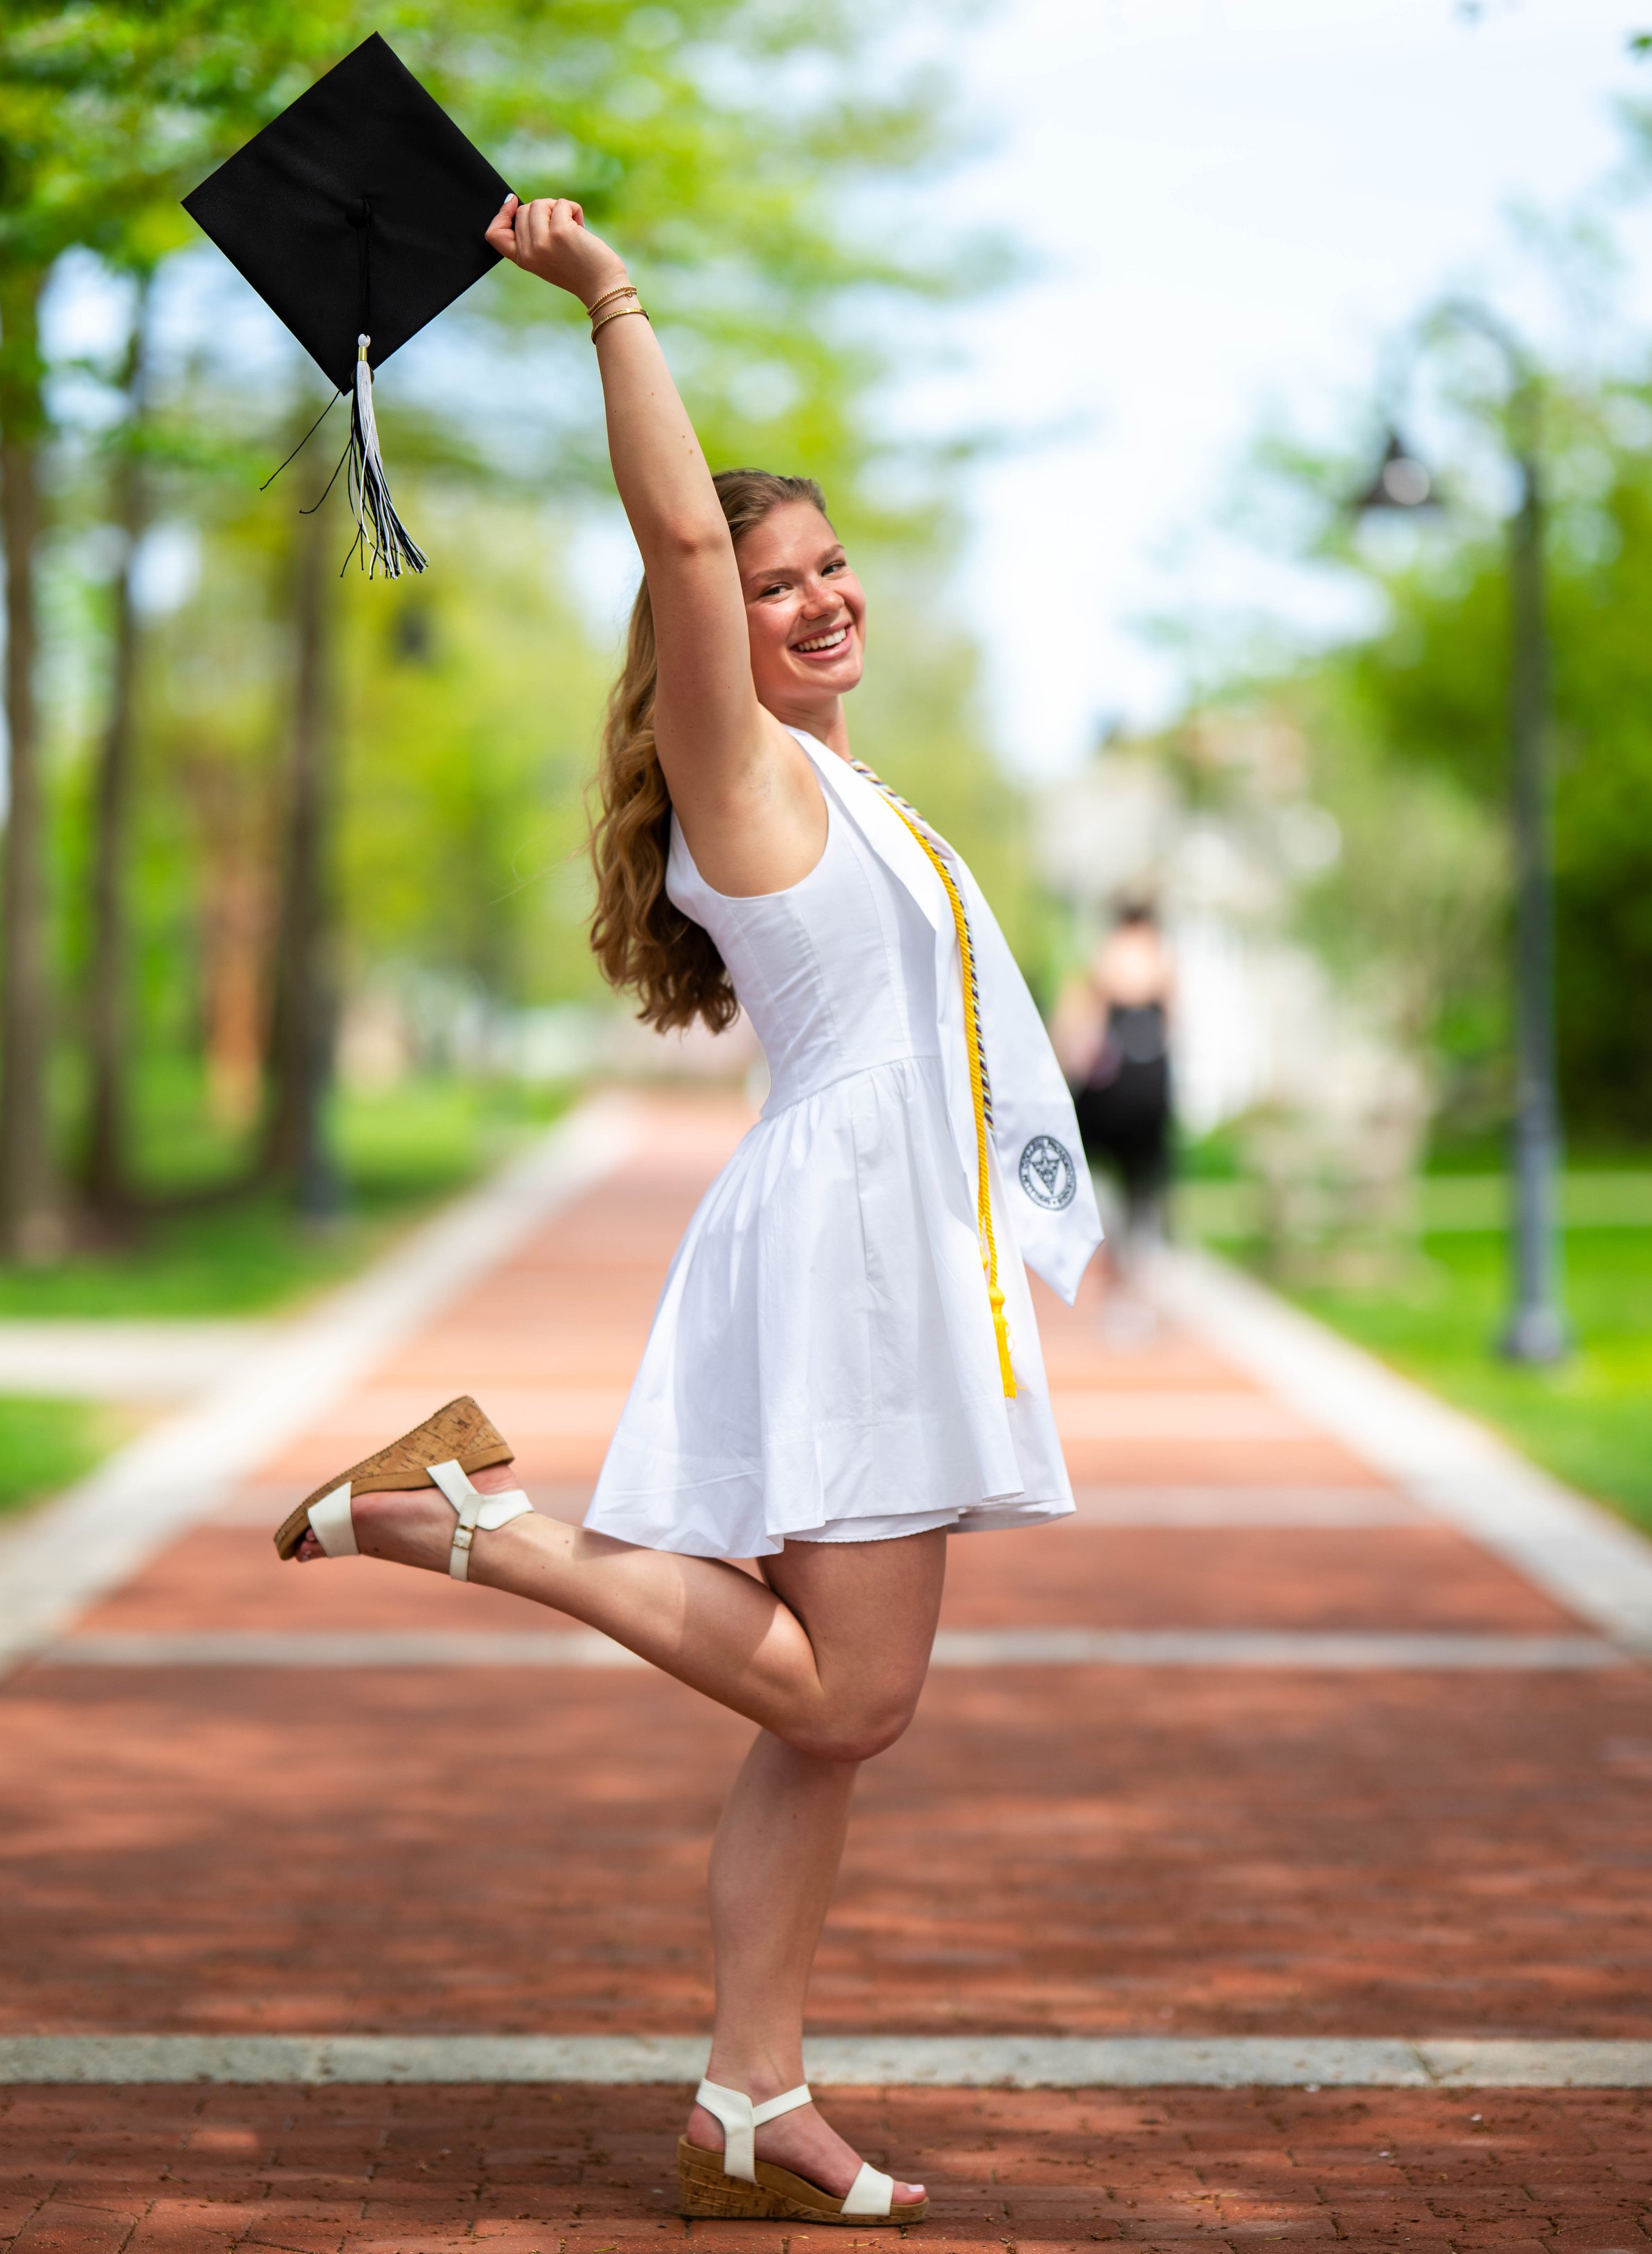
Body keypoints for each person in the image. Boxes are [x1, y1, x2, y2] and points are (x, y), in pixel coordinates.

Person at [280, 195, 1102, 2226]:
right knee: (854, 1693)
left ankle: (748, 2097)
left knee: (818, 1731)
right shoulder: (740, 773)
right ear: (707, 631)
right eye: (770, 583)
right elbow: (661, 538)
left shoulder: (860, 788)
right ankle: (464, 1521)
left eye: (828, 568)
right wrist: (613, 304)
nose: (816, 601)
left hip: (876, 1250)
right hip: (836, 1255)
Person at [1054, 903, 1174, 1274]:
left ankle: (1112, 1245)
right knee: (1142, 1181)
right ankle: (1137, 1258)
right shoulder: (1161, 955)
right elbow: (1172, 1023)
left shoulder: (1109, 953)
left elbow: (1087, 1019)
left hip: (1116, 1085)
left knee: (1087, 1158)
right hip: (1149, 1083)